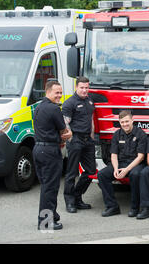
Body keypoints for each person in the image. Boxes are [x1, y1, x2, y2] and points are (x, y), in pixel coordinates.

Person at [33, 80, 72, 231]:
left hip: (38, 149)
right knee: (50, 188)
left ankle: (52, 216)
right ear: (47, 91)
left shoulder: (38, 107)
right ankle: (45, 222)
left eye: (61, 93)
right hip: (50, 151)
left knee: (46, 186)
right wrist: (68, 134)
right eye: (57, 92)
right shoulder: (54, 109)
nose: (60, 96)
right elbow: (65, 132)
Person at [97, 110, 147, 217]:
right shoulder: (117, 134)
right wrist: (115, 169)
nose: (125, 124)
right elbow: (114, 154)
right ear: (119, 123)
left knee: (135, 175)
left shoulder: (140, 134)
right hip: (120, 163)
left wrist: (126, 170)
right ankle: (112, 206)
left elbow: (141, 156)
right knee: (102, 175)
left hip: (136, 164)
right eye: (122, 122)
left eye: (127, 121)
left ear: (132, 120)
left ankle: (135, 207)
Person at [61, 77, 96, 213]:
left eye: (86, 87)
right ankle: (69, 202)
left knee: (91, 171)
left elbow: (91, 119)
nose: (84, 90)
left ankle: (77, 197)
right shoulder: (69, 103)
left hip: (88, 140)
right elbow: (65, 123)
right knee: (72, 172)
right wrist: (69, 139)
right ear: (76, 87)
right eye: (82, 87)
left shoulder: (89, 100)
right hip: (75, 139)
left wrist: (92, 138)